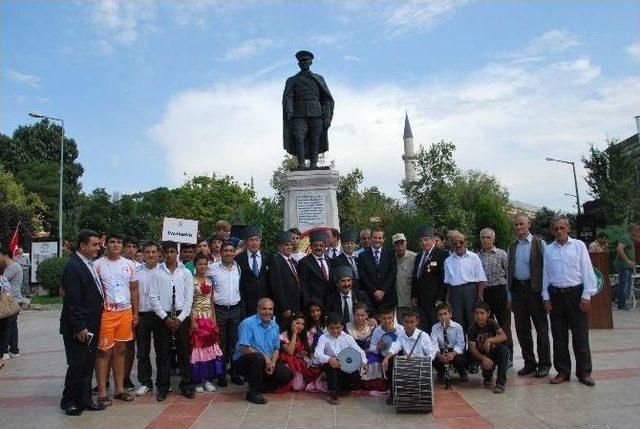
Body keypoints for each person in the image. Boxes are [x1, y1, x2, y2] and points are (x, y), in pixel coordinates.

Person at [543, 216, 598, 387]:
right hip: (556, 296)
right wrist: (545, 297)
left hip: (576, 295)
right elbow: (545, 273)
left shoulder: (579, 246)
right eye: (556, 228)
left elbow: (587, 270)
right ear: (553, 231)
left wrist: (587, 295)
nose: (559, 231)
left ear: (568, 229)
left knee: (580, 336)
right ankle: (562, 372)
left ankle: (584, 372)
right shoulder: (549, 250)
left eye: (562, 228)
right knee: (559, 337)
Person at [59, 230, 104, 415]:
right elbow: (73, 300)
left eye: (98, 244)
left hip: (91, 324)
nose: (98, 248)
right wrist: (80, 327)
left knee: (87, 365)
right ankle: (69, 401)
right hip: (79, 327)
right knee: (77, 364)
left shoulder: (88, 264)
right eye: (94, 245)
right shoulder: (73, 266)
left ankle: (85, 399)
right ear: (82, 246)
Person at [93, 232, 139, 406]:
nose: (115, 245)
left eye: (119, 242)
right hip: (106, 313)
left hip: (125, 312)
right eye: (112, 242)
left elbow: (134, 289)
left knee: (121, 350)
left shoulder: (129, 265)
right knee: (104, 351)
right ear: (106, 244)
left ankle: (120, 389)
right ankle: (103, 391)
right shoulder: (97, 265)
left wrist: (136, 313)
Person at [149, 241, 195, 400]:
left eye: (172, 252)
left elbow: (189, 298)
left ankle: (187, 385)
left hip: (181, 316)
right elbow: (153, 297)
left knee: (184, 351)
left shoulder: (185, 272)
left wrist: (181, 318)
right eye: (166, 252)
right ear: (162, 253)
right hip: (163, 316)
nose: (169, 255)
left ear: (177, 253)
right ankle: (163, 386)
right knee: (163, 353)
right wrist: (165, 317)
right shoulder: (156, 272)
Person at [507, 213, 551, 378]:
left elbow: (546, 269)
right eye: (516, 225)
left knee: (541, 328)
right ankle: (529, 363)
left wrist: (546, 295)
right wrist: (509, 296)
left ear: (529, 224)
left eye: (521, 224)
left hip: (535, 291)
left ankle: (545, 364)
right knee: (522, 329)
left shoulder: (539, 244)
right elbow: (509, 273)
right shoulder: (512, 246)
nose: (518, 227)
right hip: (517, 291)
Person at [234, 298, 293, 404]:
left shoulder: (274, 326)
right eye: (264, 309)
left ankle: (263, 385)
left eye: (270, 309)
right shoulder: (248, 323)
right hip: (245, 361)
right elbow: (244, 348)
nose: (267, 312)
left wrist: (273, 363)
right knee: (257, 358)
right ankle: (253, 393)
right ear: (258, 309)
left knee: (286, 374)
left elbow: (276, 348)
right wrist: (265, 358)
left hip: (266, 361)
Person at [381, 309, 437, 404]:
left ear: (417, 322)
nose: (409, 325)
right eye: (406, 322)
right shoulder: (402, 335)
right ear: (403, 322)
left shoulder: (423, 336)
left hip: (421, 367)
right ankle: (393, 392)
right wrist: (386, 358)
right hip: (406, 366)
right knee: (390, 361)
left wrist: (416, 360)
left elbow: (432, 355)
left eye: (412, 322)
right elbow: (395, 346)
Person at [209, 241, 244, 387]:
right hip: (219, 310)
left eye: (231, 250)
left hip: (235, 309)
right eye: (226, 251)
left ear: (234, 252)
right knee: (221, 345)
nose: (228, 253)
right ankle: (221, 374)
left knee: (234, 344)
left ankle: (234, 373)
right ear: (221, 252)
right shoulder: (212, 268)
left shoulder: (238, 267)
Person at [477, 228, 513, 368]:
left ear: (493, 239)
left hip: (500, 291)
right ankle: (489, 355)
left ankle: (508, 355)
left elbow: (509, 276)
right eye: (483, 237)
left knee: (505, 325)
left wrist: (510, 297)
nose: (485, 240)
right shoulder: (476, 256)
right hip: (485, 293)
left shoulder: (502, 254)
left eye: (488, 237)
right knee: (487, 325)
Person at [314, 313, 367, 405]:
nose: (335, 331)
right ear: (327, 327)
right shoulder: (323, 337)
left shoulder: (348, 338)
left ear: (342, 326)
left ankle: (335, 384)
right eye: (332, 328)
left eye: (338, 328)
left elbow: (359, 350)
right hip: (329, 365)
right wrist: (329, 359)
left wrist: (364, 362)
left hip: (344, 365)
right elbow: (317, 353)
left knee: (355, 378)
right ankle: (332, 393)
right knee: (332, 366)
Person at [190, 253, 223, 393]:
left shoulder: (210, 280)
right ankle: (198, 380)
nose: (203, 266)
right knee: (198, 350)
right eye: (200, 264)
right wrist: (192, 321)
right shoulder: (191, 281)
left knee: (210, 350)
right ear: (195, 265)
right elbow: (189, 302)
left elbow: (211, 301)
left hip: (208, 318)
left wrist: (214, 319)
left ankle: (208, 379)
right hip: (196, 318)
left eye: (205, 264)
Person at [443, 232, 486, 334]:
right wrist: (447, 299)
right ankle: (461, 348)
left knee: (472, 318)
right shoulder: (448, 261)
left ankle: (473, 346)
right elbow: (448, 283)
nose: (458, 245)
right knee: (457, 321)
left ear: (465, 242)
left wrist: (480, 297)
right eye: (455, 243)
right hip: (455, 292)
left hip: (470, 290)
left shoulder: (474, 257)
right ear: (452, 245)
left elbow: (480, 279)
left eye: (461, 242)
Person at [134, 241, 161, 397]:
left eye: (153, 252)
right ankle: (145, 382)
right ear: (143, 254)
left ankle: (162, 382)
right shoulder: (136, 272)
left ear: (158, 254)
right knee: (143, 351)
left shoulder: (164, 272)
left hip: (159, 316)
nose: (150, 255)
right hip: (142, 315)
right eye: (147, 252)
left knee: (162, 350)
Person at [467, 301, 509, 394]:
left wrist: (490, 340)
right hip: (482, 354)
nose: (479, 316)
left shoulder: (492, 323)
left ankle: (500, 383)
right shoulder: (472, 329)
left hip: (495, 351)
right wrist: (483, 358)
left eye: (482, 313)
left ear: (488, 313)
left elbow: (504, 336)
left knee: (504, 350)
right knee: (487, 370)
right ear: (473, 314)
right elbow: (472, 349)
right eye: (476, 313)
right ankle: (487, 376)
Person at [411, 225, 448, 331]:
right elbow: (416, 277)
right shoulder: (418, 257)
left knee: (436, 327)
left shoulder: (441, 254)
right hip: (421, 300)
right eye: (421, 241)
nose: (424, 243)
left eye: (426, 240)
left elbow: (443, 278)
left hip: (434, 300)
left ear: (433, 240)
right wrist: (414, 295)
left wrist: (440, 298)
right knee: (424, 327)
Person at [269, 231, 304, 327]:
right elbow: (277, 286)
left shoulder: (293, 261)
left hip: (296, 305)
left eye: (291, 245)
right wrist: (285, 307)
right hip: (286, 308)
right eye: (286, 245)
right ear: (279, 247)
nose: (289, 247)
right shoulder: (276, 262)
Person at [358, 227, 397, 311]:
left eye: (380, 238)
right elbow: (362, 275)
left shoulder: (390, 254)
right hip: (370, 297)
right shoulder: (362, 255)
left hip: (387, 297)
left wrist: (383, 290)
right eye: (375, 237)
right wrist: (374, 291)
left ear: (384, 239)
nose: (377, 240)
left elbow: (392, 273)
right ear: (371, 238)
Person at [235, 226, 271, 317]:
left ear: (260, 241)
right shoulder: (239, 259)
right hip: (247, 304)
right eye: (251, 240)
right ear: (246, 242)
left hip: (265, 303)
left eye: (257, 240)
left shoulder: (268, 257)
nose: (254, 243)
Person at [346, 302, 384, 385]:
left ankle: (370, 382)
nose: (360, 318)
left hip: (369, 353)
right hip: (353, 353)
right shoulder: (347, 327)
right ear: (353, 315)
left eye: (362, 315)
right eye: (357, 315)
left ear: (367, 315)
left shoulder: (372, 327)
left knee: (374, 359)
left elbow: (376, 346)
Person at [277, 312, 315, 392]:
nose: (300, 326)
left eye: (303, 324)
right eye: (297, 323)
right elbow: (290, 352)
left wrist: (304, 353)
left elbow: (308, 351)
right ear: (292, 323)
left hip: (300, 362)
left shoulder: (304, 335)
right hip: (287, 362)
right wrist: (294, 333)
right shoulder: (283, 335)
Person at [430, 302, 467, 383]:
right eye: (440, 315)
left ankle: (462, 371)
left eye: (445, 314)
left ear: (450, 314)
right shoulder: (435, 327)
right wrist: (439, 355)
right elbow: (433, 343)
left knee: (460, 358)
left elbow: (461, 344)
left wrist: (453, 354)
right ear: (437, 317)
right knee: (433, 357)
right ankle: (441, 371)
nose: (443, 317)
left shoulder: (457, 327)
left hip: (454, 351)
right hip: (442, 350)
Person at [122, 235, 140, 390]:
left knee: (129, 345)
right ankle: (106, 379)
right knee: (108, 347)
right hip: (113, 310)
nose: (131, 250)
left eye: (134, 247)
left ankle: (126, 377)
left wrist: (137, 312)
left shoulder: (139, 267)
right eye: (128, 247)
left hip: (132, 311)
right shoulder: (108, 263)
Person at [298, 230, 334, 305]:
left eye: (321, 245)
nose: (318, 248)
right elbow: (304, 286)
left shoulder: (330, 260)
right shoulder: (304, 262)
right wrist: (308, 304)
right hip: (314, 303)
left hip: (330, 301)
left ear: (325, 246)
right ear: (311, 246)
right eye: (315, 245)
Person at [0, 246, 22, 359]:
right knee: (12, 326)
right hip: (11, 301)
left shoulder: (13, 267)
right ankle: (14, 349)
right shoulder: (10, 266)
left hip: (12, 302)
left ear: (5, 256)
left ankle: (5, 352)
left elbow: (2, 280)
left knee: (7, 327)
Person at [613, 224, 639, 311]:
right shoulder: (626, 238)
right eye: (637, 230)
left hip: (627, 267)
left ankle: (621, 303)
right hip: (624, 266)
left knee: (626, 285)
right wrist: (628, 261)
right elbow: (619, 249)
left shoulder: (630, 239)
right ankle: (621, 304)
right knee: (624, 286)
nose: (638, 232)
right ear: (633, 230)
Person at [393, 233, 416, 313]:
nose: (400, 247)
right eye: (397, 244)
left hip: (410, 303)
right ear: (393, 246)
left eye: (402, 243)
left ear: (406, 243)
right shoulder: (391, 258)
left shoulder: (414, 258)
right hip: (395, 304)